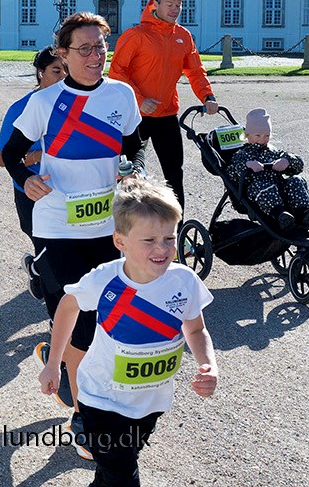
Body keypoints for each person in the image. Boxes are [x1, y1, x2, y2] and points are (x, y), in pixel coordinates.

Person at [1, 12, 141, 457]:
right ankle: (83, 416)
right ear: (62, 54)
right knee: (82, 318)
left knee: (105, 319)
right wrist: (27, 181)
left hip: (106, 226)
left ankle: (61, 360)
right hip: (57, 227)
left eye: (101, 46)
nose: (96, 56)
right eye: (85, 48)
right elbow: (11, 152)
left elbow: (133, 142)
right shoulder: (44, 103)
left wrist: (130, 170)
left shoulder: (121, 94)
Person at [37, 176, 218, 484]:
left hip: (151, 404)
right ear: (120, 241)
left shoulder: (183, 281)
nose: (161, 249)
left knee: (112, 474)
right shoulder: (106, 281)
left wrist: (209, 364)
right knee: (122, 476)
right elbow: (69, 306)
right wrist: (54, 364)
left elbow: (196, 329)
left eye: (170, 238)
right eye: (149, 240)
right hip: (100, 401)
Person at [108, 0, 219, 211]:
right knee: (129, 172)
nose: (175, 9)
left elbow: (196, 71)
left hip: (167, 114)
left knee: (174, 172)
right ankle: (127, 224)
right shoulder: (136, 35)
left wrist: (207, 95)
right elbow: (117, 73)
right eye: (169, 5)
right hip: (136, 116)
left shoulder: (183, 36)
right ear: (155, 5)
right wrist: (140, 100)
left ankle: (176, 228)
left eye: (178, 5)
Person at [0, 46, 66, 300]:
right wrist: (36, 156)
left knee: (64, 254)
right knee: (49, 252)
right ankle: (56, 313)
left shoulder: (75, 103)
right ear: (40, 72)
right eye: (56, 71)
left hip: (67, 190)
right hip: (31, 191)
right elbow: (2, 158)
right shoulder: (21, 108)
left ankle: (38, 271)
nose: (62, 77)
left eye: (66, 70)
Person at [227, 107, 309, 230]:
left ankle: (304, 212)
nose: (262, 139)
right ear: (247, 135)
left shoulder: (273, 151)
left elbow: (298, 165)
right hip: (257, 194)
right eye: (257, 135)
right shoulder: (242, 154)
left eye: (266, 136)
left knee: (296, 180)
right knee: (262, 186)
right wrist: (247, 166)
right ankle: (280, 215)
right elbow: (232, 172)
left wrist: (287, 161)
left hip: (279, 189)